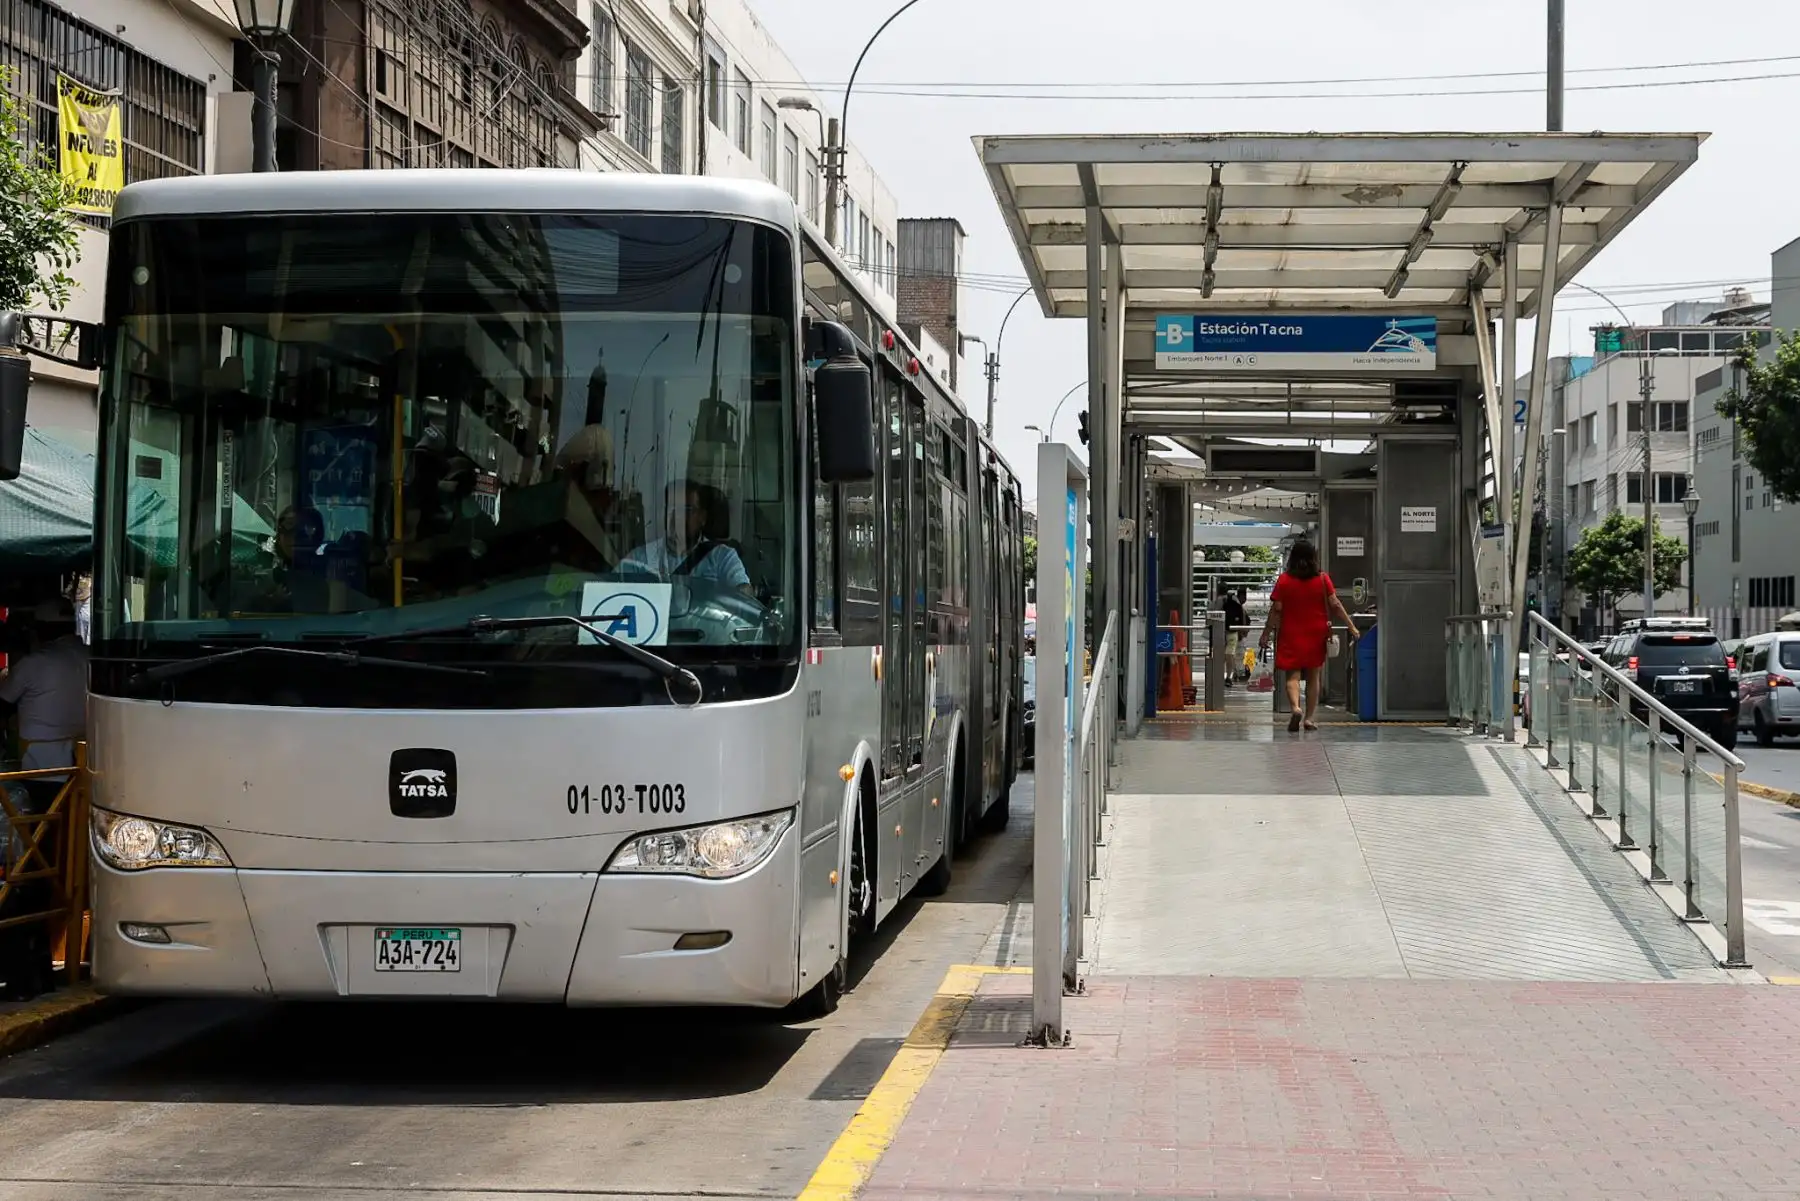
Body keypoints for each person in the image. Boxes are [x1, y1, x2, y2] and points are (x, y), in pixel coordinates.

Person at [1257, 541, 1359, 733]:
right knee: (1313, 676)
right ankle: (1309, 719)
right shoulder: (1322, 579)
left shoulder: (1284, 580)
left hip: (1290, 632)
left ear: (1292, 558)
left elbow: (1276, 609)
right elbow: (1335, 604)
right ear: (1313, 557)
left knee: (1292, 675)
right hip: (1316, 632)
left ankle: (1296, 708)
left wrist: (1266, 633)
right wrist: (1351, 626)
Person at [619, 479, 753, 596]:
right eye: (671, 509)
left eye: (686, 509)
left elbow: (744, 593)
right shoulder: (641, 558)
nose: (676, 516)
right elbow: (612, 589)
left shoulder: (722, 557)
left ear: (702, 517)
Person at [1221, 585, 1248, 687]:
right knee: (1234, 655)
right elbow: (1242, 621)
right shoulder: (1237, 605)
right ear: (1241, 596)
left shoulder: (1226, 602)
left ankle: (1229, 675)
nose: (1245, 599)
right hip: (1233, 633)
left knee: (1228, 655)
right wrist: (1242, 632)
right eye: (1245, 596)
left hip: (1224, 631)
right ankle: (1232, 675)